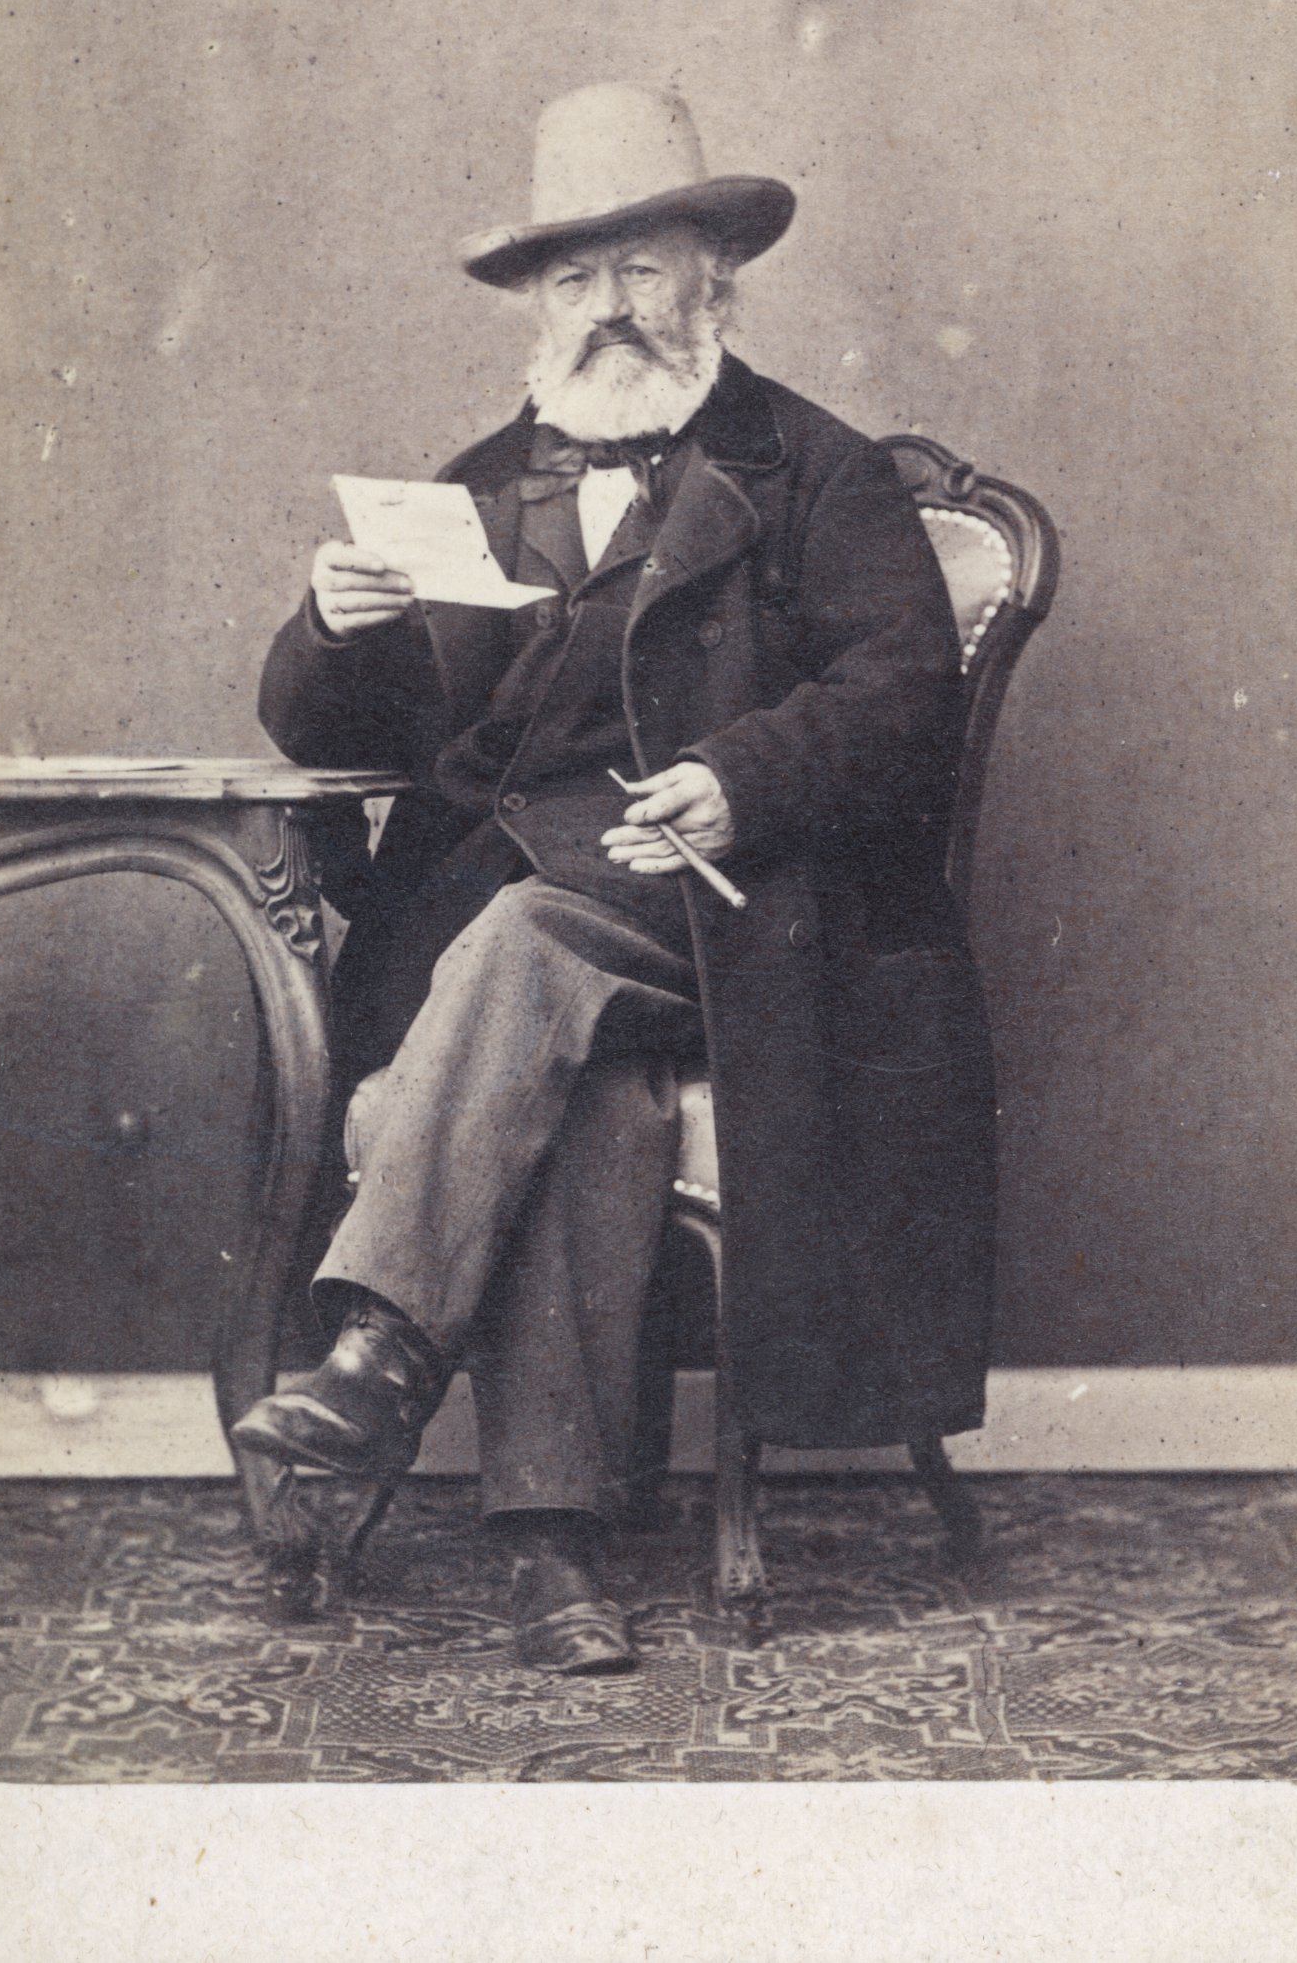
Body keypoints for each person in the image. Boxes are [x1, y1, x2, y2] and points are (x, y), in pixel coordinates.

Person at [232, 84, 997, 1673]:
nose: (609, 307)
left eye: (641, 268)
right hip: (515, 946)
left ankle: (379, 1356)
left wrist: (741, 779)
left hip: (743, 917)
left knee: (528, 944)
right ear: (535, 303)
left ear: (715, 276)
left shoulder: (817, 473)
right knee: (576, 1073)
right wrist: (331, 629)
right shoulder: (473, 488)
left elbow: (903, 695)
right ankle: (552, 1555)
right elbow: (348, 733)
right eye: (573, 276)